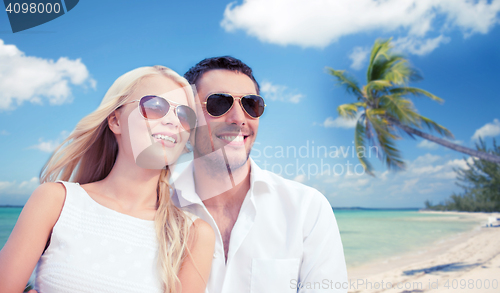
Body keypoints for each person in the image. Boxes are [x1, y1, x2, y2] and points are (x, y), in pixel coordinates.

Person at [0, 66, 215, 293]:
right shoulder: (55, 201)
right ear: (115, 121)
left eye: (184, 115)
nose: (173, 121)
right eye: (154, 106)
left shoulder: (192, 234)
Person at [171, 56, 348, 292]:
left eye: (250, 105)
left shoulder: (307, 209)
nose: (239, 119)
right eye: (218, 103)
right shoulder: (158, 207)